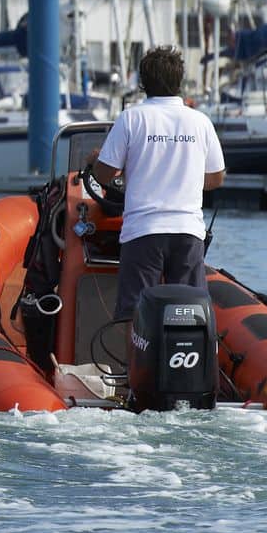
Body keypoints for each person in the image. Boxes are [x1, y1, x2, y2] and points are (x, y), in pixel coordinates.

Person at [86, 45, 225, 324]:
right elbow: (215, 178)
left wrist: (97, 161)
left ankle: (137, 368)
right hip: (188, 232)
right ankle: (184, 367)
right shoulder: (200, 122)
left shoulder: (131, 119)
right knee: (190, 315)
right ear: (179, 82)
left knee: (134, 315)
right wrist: (184, 178)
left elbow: (103, 176)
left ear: (142, 83)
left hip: (144, 233)